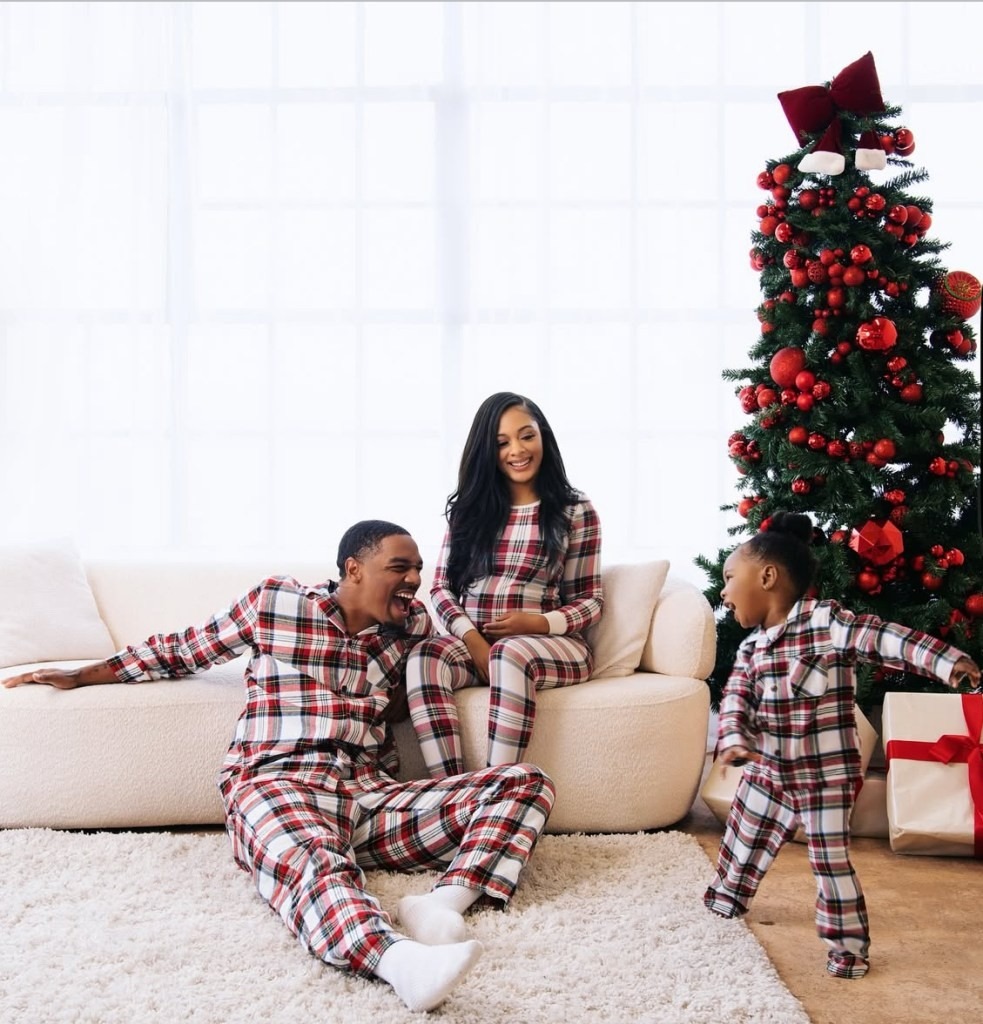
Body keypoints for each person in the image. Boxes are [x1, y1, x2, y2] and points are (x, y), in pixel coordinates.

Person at [3, 520, 556, 1014]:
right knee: (317, 864)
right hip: (276, 780)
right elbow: (181, 650)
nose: (414, 579)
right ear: (353, 569)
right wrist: (83, 674)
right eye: (399, 567)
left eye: (417, 568)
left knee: (525, 784)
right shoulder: (278, 602)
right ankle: (397, 961)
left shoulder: (410, 630)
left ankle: (439, 904)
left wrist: (526, 641)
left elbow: (458, 664)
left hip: (364, 794)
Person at [704, 511, 981, 980]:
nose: (724, 592)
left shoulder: (827, 624)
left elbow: (888, 639)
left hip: (826, 774)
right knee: (744, 830)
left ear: (767, 577)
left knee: (828, 859)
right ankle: (727, 894)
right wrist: (733, 737)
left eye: (731, 579)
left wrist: (947, 663)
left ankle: (848, 949)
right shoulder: (751, 649)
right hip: (770, 767)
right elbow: (735, 698)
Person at [405, 392, 603, 778]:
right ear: (487, 450)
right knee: (423, 656)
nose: (517, 450)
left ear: (542, 435)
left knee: (509, 653)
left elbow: (591, 601)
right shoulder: (469, 510)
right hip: (478, 647)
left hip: (548, 648)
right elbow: (441, 589)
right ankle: (451, 791)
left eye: (526, 435)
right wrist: (472, 640)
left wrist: (538, 624)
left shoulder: (574, 510)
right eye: (502, 443)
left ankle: (497, 793)